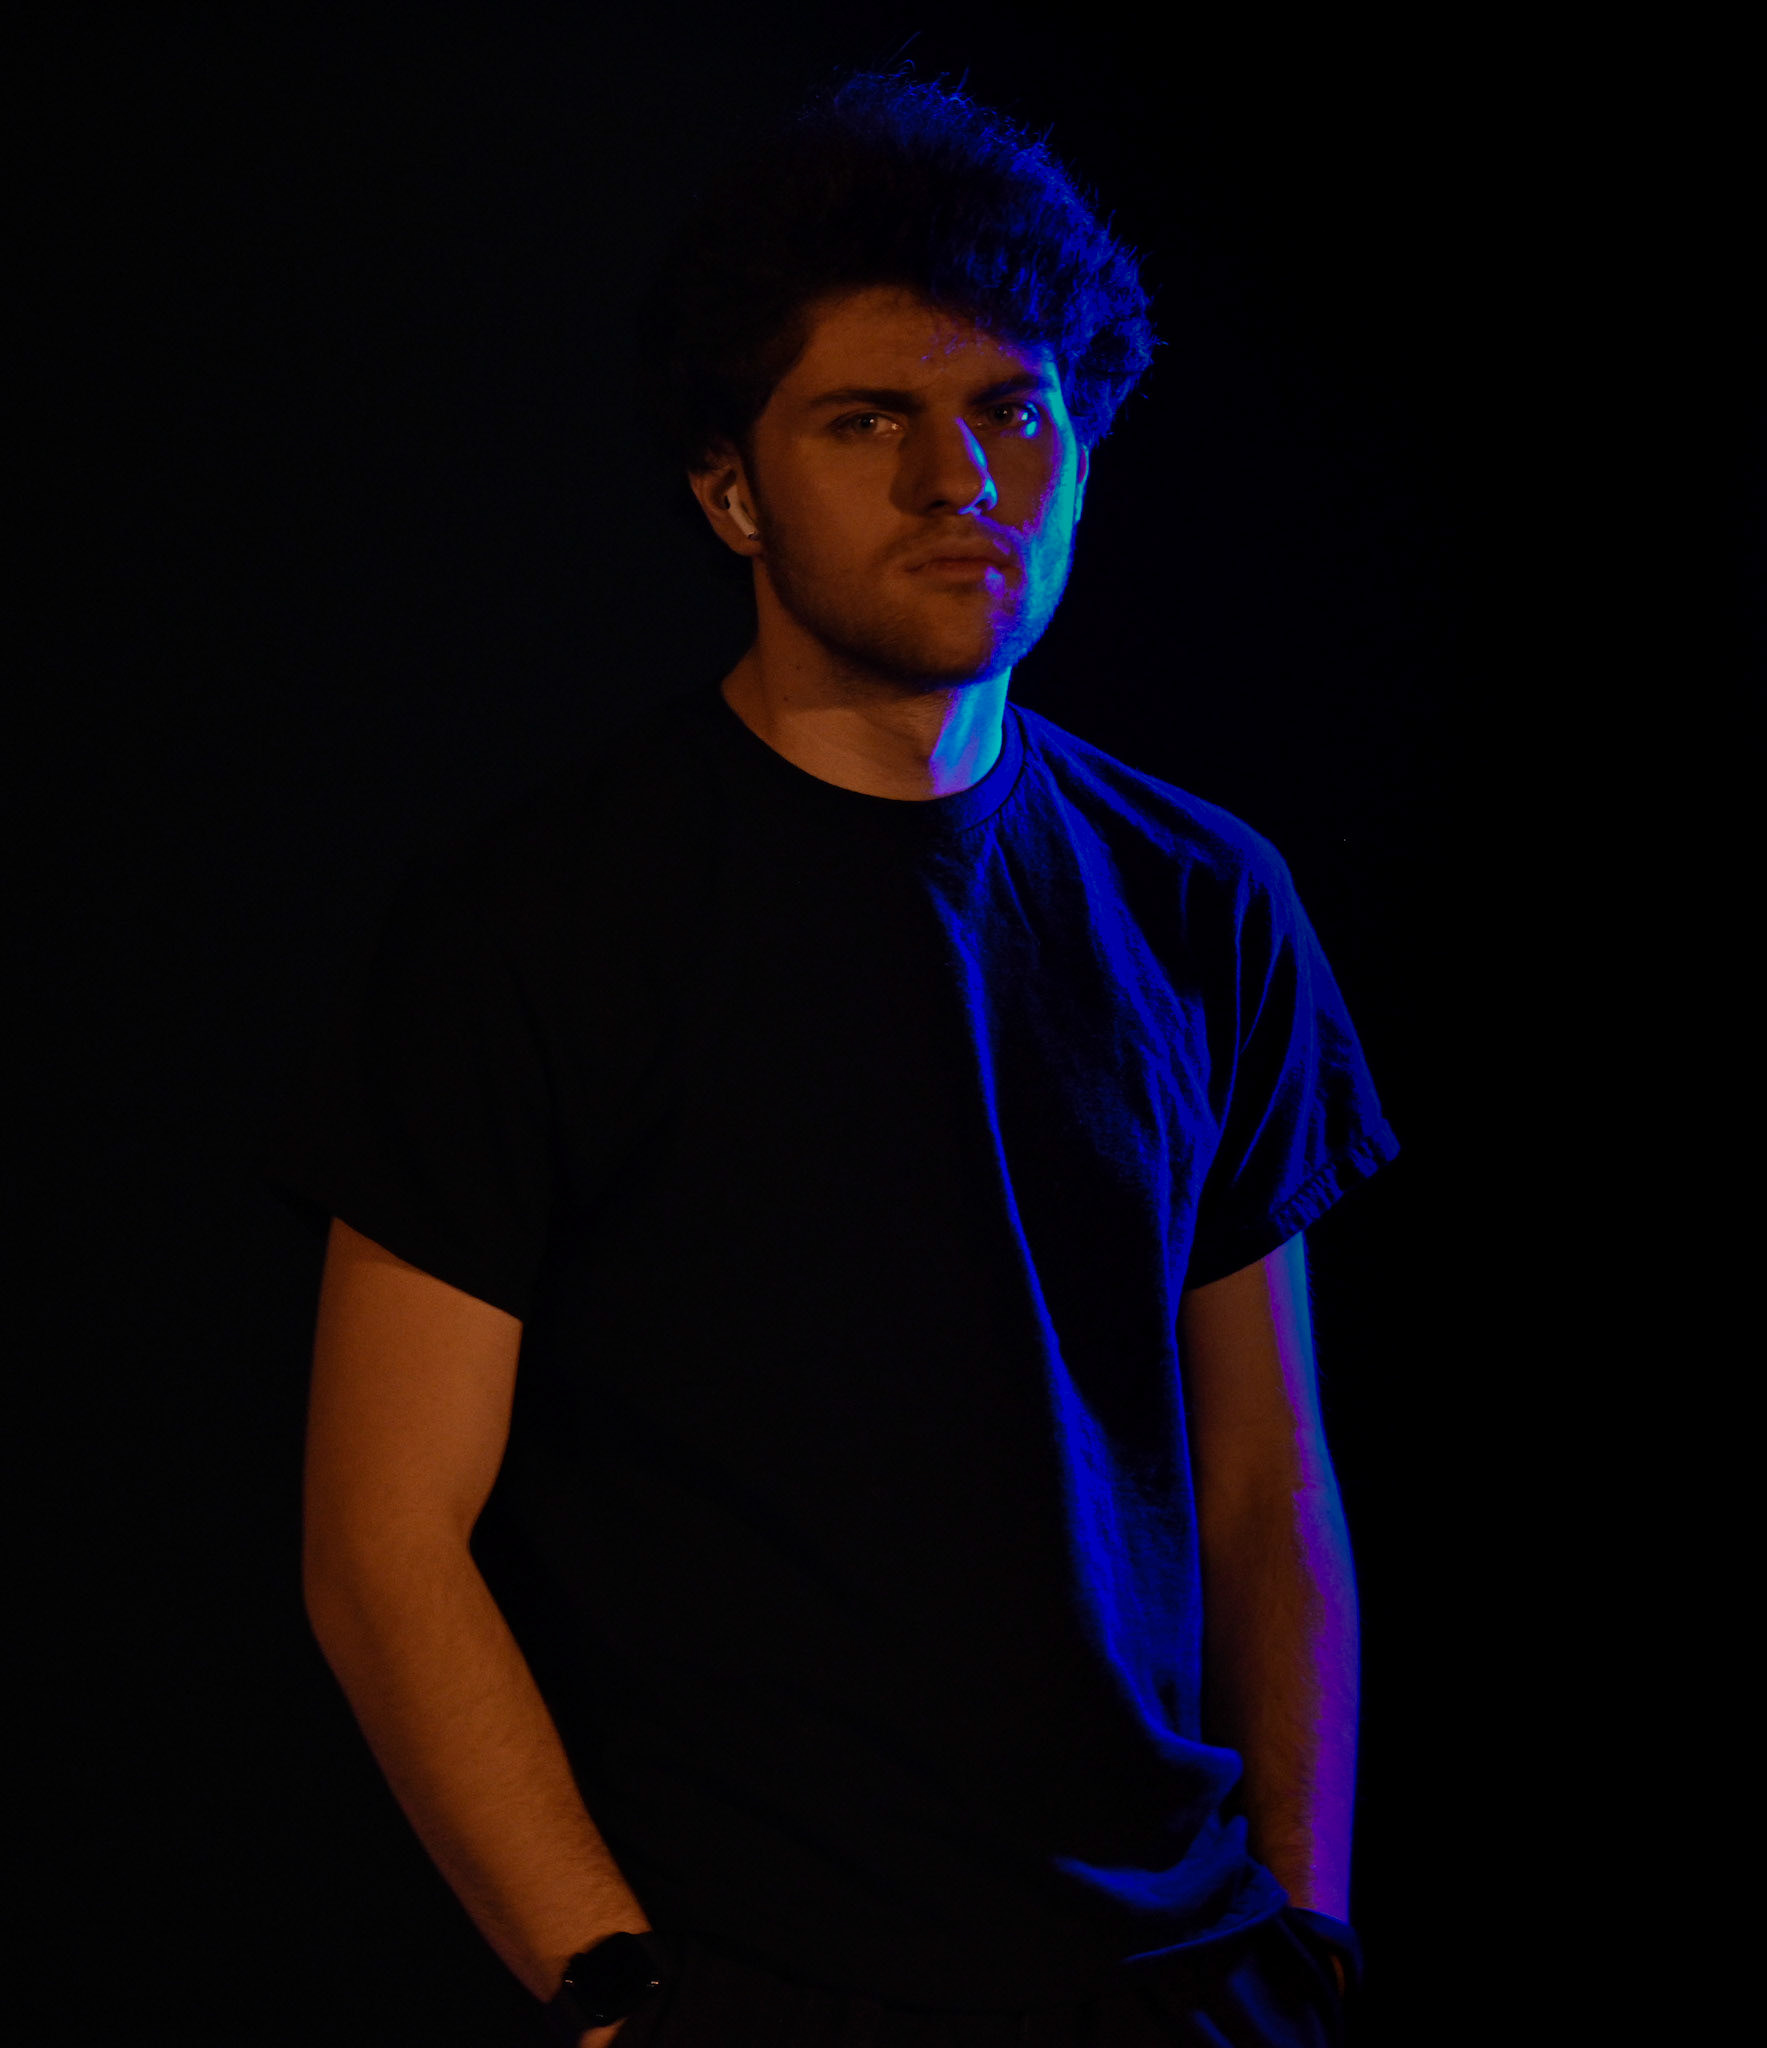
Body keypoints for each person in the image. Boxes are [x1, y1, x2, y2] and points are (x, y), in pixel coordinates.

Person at [280, 71, 1398, 2048]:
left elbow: (1264, 1475)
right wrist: (617, 1991)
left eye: (1013, 411)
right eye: (867, 419)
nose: (959, 479)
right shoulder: (532, 922)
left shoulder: (1203, 898)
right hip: (762, 1986)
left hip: (1184, 1984)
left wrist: (1302, 1940)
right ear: (730, 491)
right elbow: (381, 1538)